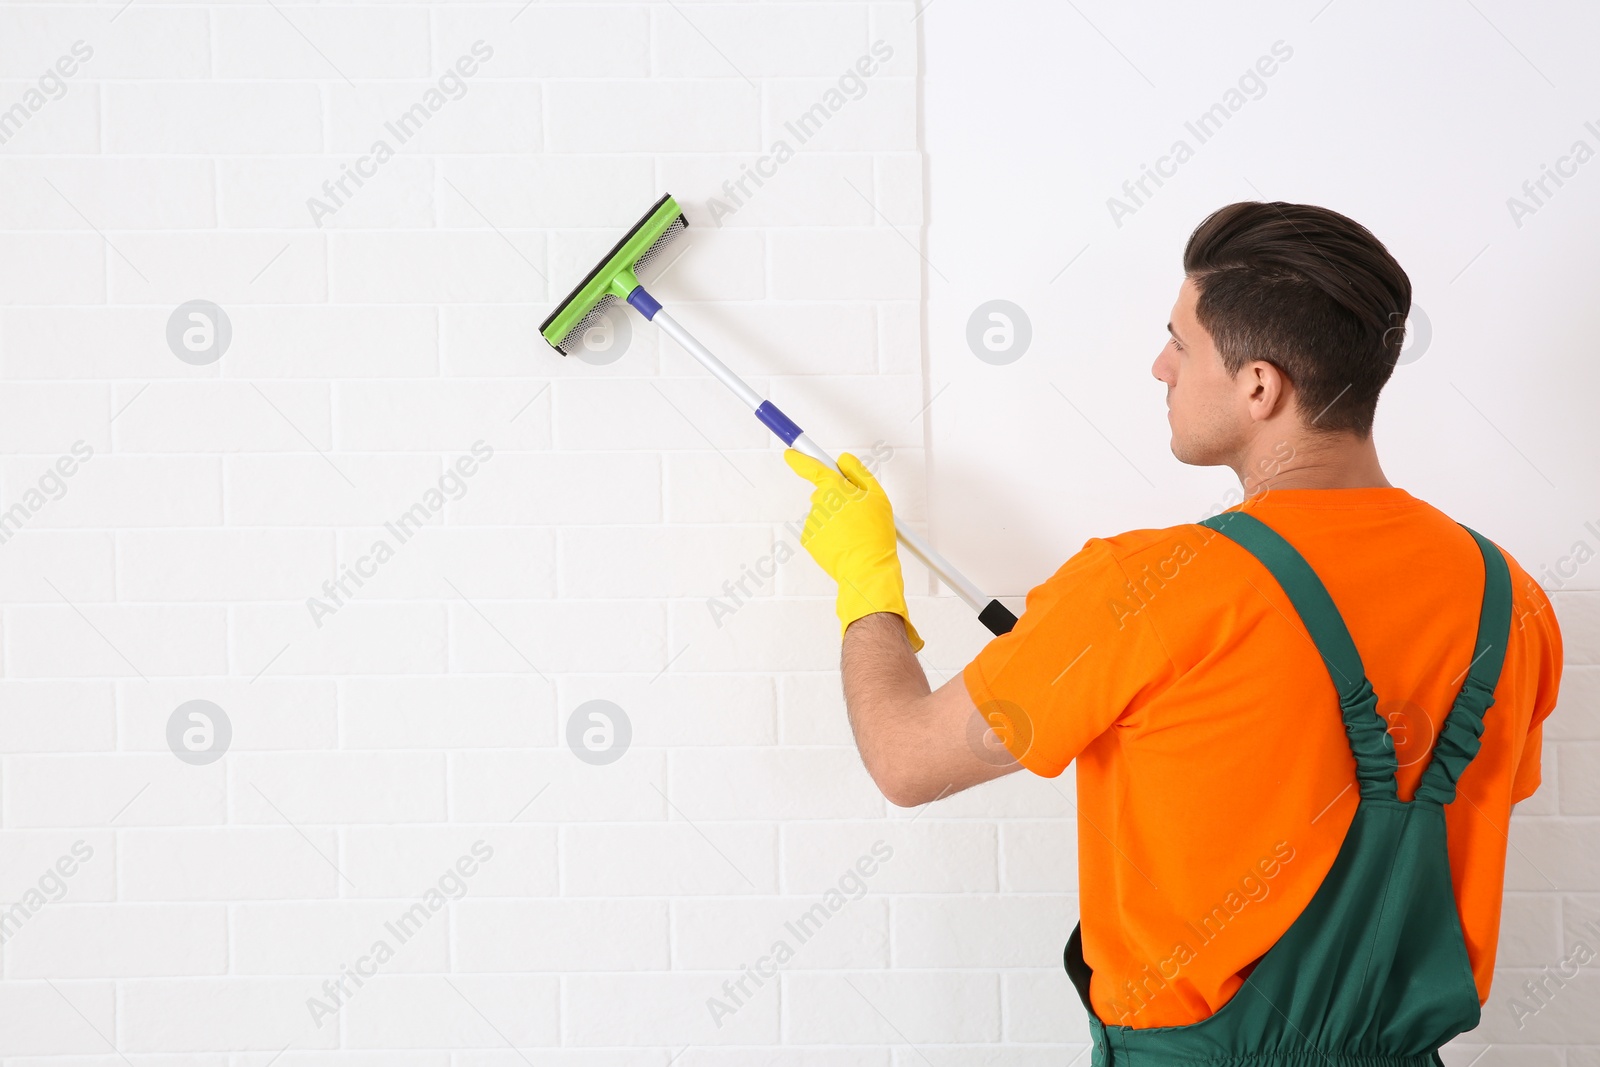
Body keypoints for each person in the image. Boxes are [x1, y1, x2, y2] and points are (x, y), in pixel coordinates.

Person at [784, 201, 1563, 1063]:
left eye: (1180, 343)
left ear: (1260, 386)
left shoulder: (1147, 590)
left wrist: (867, 586)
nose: (1160, 366)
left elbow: (906, 759)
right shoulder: (1513, 598)